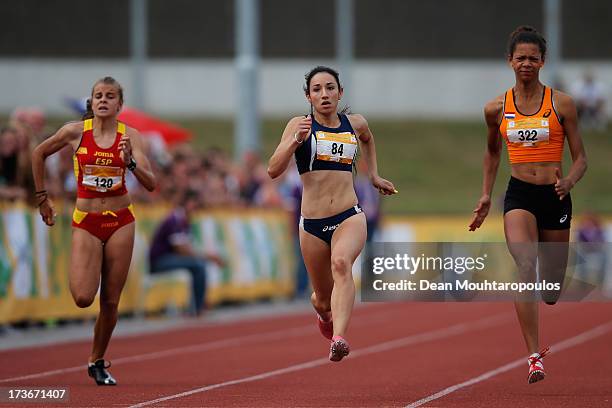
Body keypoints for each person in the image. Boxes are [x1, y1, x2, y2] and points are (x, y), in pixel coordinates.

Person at [469, 27, 587, 384]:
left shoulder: (562, 104)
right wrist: (487, 194)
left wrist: (568, 180)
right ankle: (534, 356)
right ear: (509, 61)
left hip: (555, 196)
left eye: (533, 58)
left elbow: (581, 158)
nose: (526, 63)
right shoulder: (495, 108)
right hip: (518, 193)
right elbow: (492, 152)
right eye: (520, 57)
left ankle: (549, 295)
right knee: (525, 264)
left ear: (543, 62)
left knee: (551, 290)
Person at [31, 76, 157, 385]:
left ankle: (96, 360)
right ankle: (82, 268)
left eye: (110, 96)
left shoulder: (132, 137)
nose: (103, 100)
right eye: (98, 95)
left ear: (119, 105)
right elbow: (38, 154)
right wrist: (42, 198)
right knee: (84, 297)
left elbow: (151, 182)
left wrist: (129, 163)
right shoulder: (75, 132)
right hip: (86, 222)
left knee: (111, 301)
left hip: (120, 221)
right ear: (92, 102)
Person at [267, 66, 396, 362]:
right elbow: (273, 170)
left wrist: (374, 176)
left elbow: (368, 138)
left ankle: (339, 338)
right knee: (322, 298)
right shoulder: (298, 125)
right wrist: (293, 142)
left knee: (341, 265)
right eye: (317, 89)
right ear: (308, 96)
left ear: (340, 92)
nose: (324, 94)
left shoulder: (355, 123)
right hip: (311, 223)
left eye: (329, 88)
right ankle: (325, 317)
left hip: (348, 215)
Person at [149, 188, 223, 315]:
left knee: (198, 264)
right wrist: (209, 257)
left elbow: (186, 248)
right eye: (196, 204)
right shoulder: (176, 219)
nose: (197, 208)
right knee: (198, 265)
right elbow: (182, 250)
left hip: (168, 257)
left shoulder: (183, 219)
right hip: (160, 260)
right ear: (188, 202)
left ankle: (197, 305)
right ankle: (197, 308)